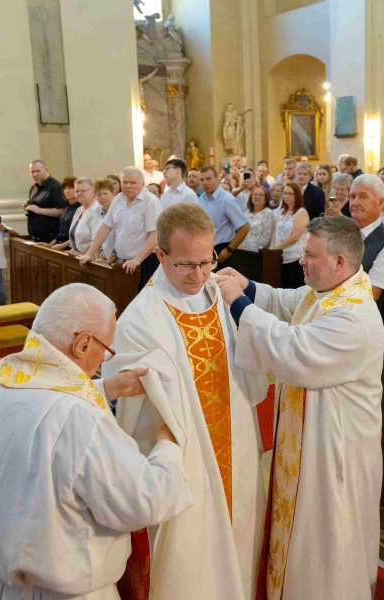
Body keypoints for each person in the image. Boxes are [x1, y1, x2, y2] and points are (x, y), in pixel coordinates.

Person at [0, 283, 193, 600]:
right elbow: (143, 501)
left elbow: (35, 410)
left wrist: (107, 388)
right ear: (83, 344)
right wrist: (168, 444)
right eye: (107, 349)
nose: (104, 359)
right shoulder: (79, 418)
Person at [216, 216, 384, 600]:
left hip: (334, 452)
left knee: (326, 542)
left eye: (309, 254)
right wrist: (248, 286)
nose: (300, 260)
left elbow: (293, 350)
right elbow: (286, 302)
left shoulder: (354, 316)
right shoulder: (327, 292)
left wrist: (238, 303)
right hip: (312, 440)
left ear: (339, 261)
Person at [108, 204, 266, 600]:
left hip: (235, 437)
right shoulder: (141, 317)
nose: (198, 275)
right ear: (160, 255)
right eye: (186, 265)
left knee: (241, 527)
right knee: (192, 552)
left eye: (206, 262)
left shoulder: (219, 292)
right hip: (184, 452)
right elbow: (126, 400)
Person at [80, 167, 161, 288]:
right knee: (123, 295)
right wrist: (89, 253)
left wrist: (137, 260)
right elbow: (105, 227)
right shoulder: (118, 199)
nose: (128, 186)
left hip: (145, 261)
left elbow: (155, 236)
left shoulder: (150, 202)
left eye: (132, 182)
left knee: (141, 297)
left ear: (142, 183)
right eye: (125, 182)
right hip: (123, 261)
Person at [350, 174, 384, 340]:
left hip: (369, 331)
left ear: (380, 202)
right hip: (342, 321)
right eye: (352, 196)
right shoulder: (345, 234)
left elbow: (372, 293)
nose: (355, 202)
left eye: (363, 196)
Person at [197, 166, 250, 268]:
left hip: (221, 250)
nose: (205, 183)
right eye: (202, 180)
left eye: (208, 179)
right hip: (205, 250)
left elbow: (245, 227)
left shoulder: (227, 200)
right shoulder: (202, 199)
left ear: (217, 179)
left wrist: (229, 250)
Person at [272, 182, 309, 288]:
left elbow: (295, 237)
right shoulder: (283, 211)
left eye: (290, 194)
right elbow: (275, 231)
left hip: (295, 258)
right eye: (285, 193)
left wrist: (277, 248)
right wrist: (272, 247)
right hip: (280, 257)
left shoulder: (301, 212)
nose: (286, 196)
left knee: (293, 287)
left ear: (297, 195)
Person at [24, 160, 65, 243]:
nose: (35, 174)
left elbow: (61, 211)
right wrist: (28, 206)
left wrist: (39, 210)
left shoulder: (56, 187)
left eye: (38, 171)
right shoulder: (34, 187)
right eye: (32, 172)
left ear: (46, 170)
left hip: (50, 239)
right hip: (34, 237)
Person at [239, 184, 276, 251]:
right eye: (255, 194)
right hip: (241, 249)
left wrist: (251, 249)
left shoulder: (268, 213)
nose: (257, 197)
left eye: (261, 195)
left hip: (256, 252)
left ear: (265, 199)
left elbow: (266, 238)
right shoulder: (247, 212)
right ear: (251, 197)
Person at [48, 176, 78, 248]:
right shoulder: (67, 207)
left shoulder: (80, 208)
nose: (66, 191)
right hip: (61, 245)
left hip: (71, 247)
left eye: (70, 188)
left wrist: (61, 245)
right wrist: (50, 244)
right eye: (65, 188)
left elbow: (77, 235)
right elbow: (61, 232)